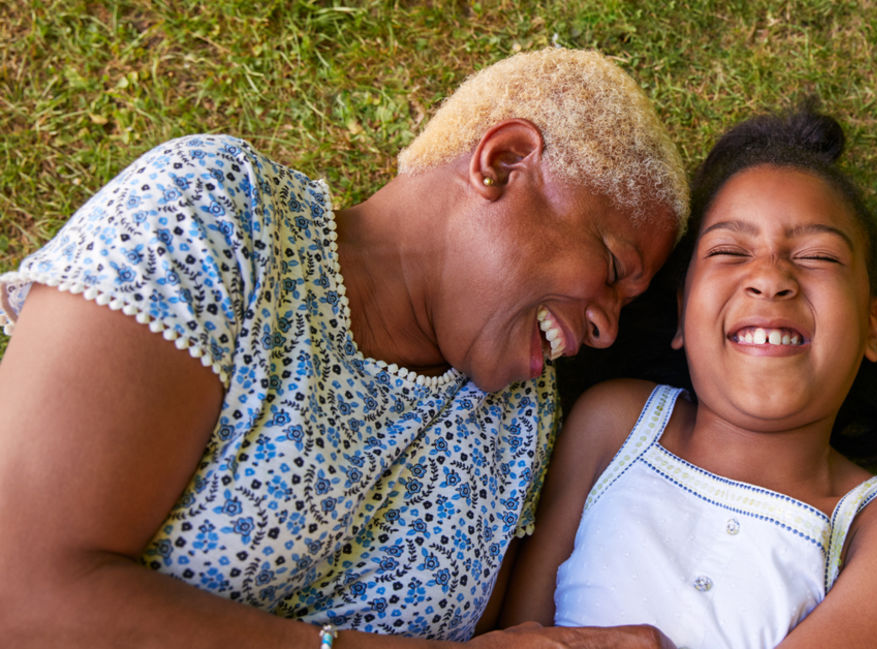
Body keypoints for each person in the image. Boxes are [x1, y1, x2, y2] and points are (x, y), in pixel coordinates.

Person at [0, 48, 690, 648]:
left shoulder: (518, 425)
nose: (606, 330)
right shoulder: (217, 216)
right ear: (504, 162)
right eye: (611, 268)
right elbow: (21, 597)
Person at [501, 104, 877, 649]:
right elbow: (515, 637)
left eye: (819, 256)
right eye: (729, 251)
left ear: (873, 328)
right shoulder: (615, 424)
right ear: (682, 314)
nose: (770, 278)